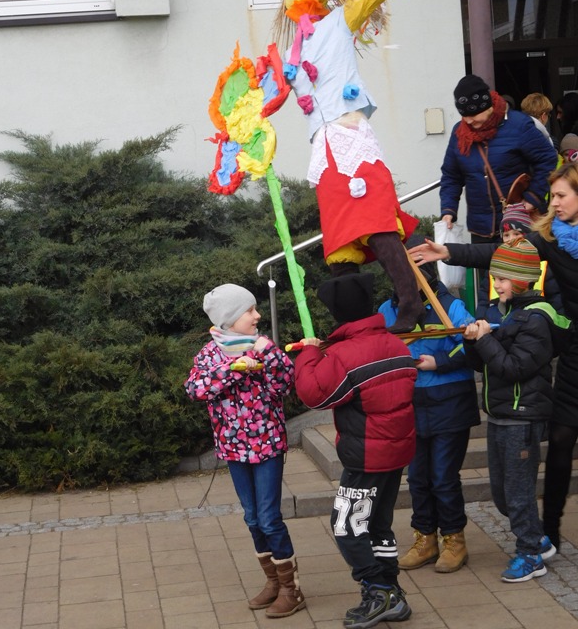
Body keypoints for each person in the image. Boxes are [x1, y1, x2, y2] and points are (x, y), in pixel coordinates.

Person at [410, 161, 578, 552]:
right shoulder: (549, 235)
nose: (553, 203)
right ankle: (548, 532)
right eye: (552, 195)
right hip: (574, 351)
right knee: (561, 439)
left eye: (561, 196)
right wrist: (447, 251)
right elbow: (500, 253)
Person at [272, 0, 424, 333]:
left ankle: (410, 303)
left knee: (376, 224)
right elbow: (275, 90)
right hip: (323, 150)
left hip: (352, 138)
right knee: (339, 240)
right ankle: (356, 322)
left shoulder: (338, 21)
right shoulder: (292, 50)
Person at [294, 272, 416, 628]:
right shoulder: (395, 343)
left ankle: (379, 592)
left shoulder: (346, 354)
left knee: (347, 526)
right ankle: (392, 592)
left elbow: (314, 394)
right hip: (396, 450)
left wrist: (308, 353)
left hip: (366, 456)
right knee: (377, 524)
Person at [184, 283, 306, 619]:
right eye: (249, 311)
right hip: (233, 449)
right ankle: (273, 582)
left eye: (255, 309)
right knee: (252, 518)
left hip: (267, 445)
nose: (257, 316)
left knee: (269, 518)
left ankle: (292, 589)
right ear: (229, 319)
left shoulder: (262, 347)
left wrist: (267, 354)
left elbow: (284, 384)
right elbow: (195, 389)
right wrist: (232, 369)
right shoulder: (210, 354)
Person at [462, 239, 570, 582]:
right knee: (502, 495)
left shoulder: (537, 319)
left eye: (503, 279)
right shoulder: (499, 312)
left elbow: (514, 368)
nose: (497, 284)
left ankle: (530, 555)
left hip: (522, 417)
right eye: (495, 277)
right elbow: (482, 365)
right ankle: (538, 539)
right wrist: (471, 342)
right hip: (498, 413)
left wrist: (485, 341)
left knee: (518, 493)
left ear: (523, 280)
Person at [378, 245, 479, 574]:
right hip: (409, 404)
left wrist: (439, 361)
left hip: (450, 402)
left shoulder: (450, 306)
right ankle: (425, 539)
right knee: (418, 478)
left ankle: (454, 539)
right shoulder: (387, 310)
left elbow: (472, 346)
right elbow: (380, 349)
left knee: (443, 477)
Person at [440, 74, 558, 242]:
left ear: (487, 106)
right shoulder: (460, 133)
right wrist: (448, 210)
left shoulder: (519, 125)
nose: (468, 121)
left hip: (518, 224)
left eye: (473, 114)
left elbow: (547, 159)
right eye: (464, 115)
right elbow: (451, 175)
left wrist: (533, 197)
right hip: (481, 229)